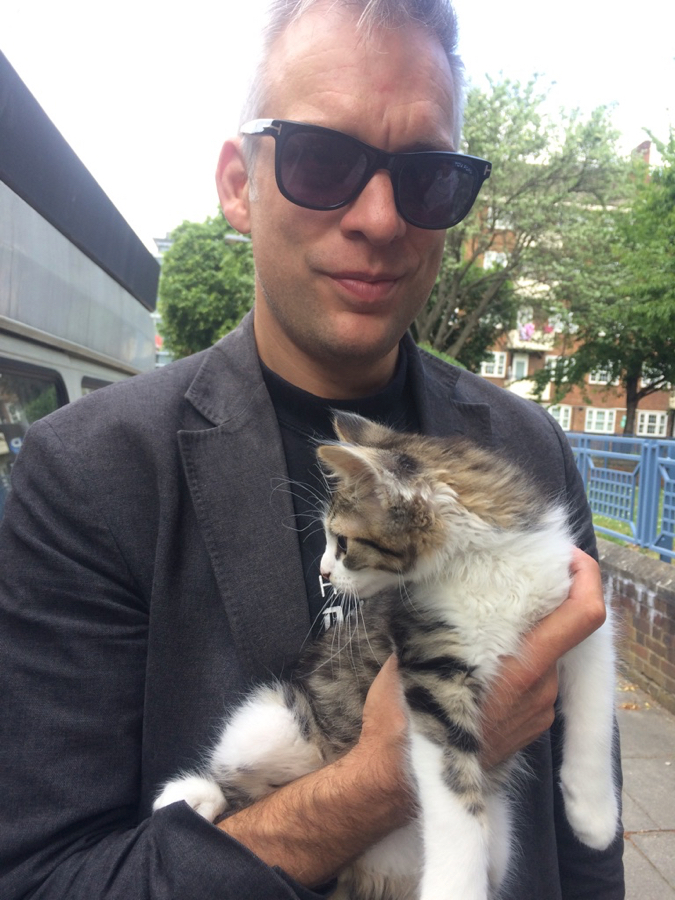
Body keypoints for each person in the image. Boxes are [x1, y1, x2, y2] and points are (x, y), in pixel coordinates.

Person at [0, 0, 624, 898]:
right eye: (322, 160)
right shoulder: (91, 471)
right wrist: (374, 782)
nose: (380, 218)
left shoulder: (527, 446)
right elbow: (47, 878)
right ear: (238, 185)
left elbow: (583, 840)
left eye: (428, 176)